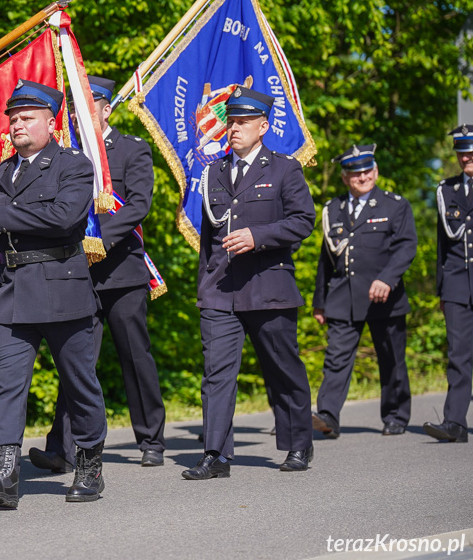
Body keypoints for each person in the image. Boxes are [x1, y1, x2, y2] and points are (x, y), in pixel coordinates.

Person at [0, 79, 107, 508]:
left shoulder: (73, 165)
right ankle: (3, 476)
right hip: (12, 292)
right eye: (13, 118)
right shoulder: (3, 172)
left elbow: (64, 219)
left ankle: (90, 466)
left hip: (62, 287)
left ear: (50, 122)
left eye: (27, 118)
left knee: (80, 384)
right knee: (6, 385)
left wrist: (6, 212)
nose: (17, 125)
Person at [30, 75, 166, 473]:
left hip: (121, 269)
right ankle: (63, 449)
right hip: (78, 272)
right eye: (74, 106)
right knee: (76, 359)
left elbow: (138, 205)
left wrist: (98, 239)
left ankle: (151, 439)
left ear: (107, 108)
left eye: (90, 105)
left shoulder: (131, 150)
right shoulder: (68, 155)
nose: (79, 112)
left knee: (134, 355)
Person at [182, 86, 316, 480]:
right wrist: (204, 287)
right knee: (216, 374)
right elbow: (209, 239)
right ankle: (216, 454)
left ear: (264, 125)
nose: (234, 128)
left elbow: (302, 221)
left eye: (242, 122)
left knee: (281, 368)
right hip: (221, 291)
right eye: (231, 121)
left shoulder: (284, 168)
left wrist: (259, 237)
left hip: (268, 287)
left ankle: (297, 443)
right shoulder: (214, 172)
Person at [312, 144, 416, 438]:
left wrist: (387, 278)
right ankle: (328, 415)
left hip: (385, 297)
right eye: (355, 173)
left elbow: (406, 247)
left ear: (376, 171)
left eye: (367, 171)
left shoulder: (395, 205)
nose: (362, 177)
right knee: (336, 359)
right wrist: (319, 302)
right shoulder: (333, 209)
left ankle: (395, 414)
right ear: (344, 178)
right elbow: (326, 258)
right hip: (343, 297)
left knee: (391, 358)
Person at [424, 125, 473, 443]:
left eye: (471, 151)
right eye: (461, 151)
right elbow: (444, 244)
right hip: (457, 282)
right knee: (458, 353)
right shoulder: (447, 190)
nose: (466, 156)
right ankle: (455, 421)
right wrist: (442, 288)